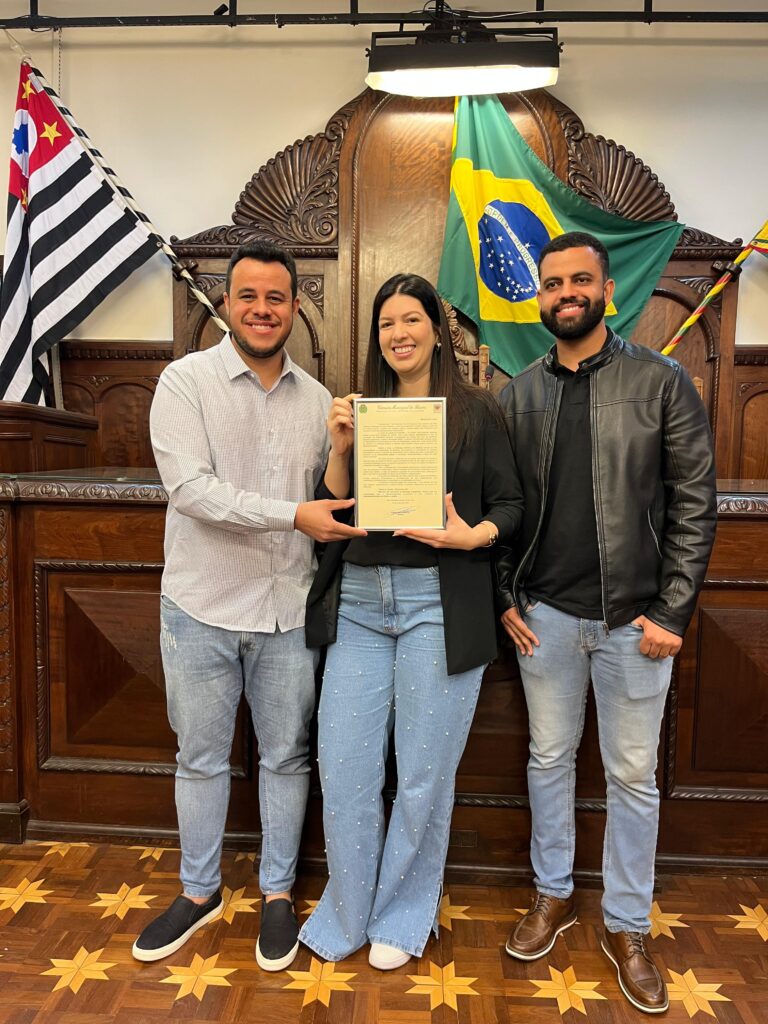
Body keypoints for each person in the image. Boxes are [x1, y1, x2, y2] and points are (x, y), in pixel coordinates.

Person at [496, 231, 716, 1014]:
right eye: (553, 283)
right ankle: (553, 895)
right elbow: (503, 509)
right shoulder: (518, 395)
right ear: (541, 296)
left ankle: (627, 926)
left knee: (631, 777)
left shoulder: (662, 382)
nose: (566, 293)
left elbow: (695, 504)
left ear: (607, 290)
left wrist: (672, 610)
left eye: (579, 281)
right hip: (546, 620)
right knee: (548, 759)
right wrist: (506, 596)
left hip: (636, 625)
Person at [134, 241, 365, 971]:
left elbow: (327, 496)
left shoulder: (318, 400)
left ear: (295, 307)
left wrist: (340, 454)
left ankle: (277, 893)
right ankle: (199, 891)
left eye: (275, 298)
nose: (262, 310)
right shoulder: (184, 383)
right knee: (200, 758)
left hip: (286, 612)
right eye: (248, 297)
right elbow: (191, 491)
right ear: (226, 303)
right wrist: (293, 515)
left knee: (286, 757)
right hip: (200, 606)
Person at [299, 273, 523, 969]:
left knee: (424, 773)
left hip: (439, 603)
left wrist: (471, 536)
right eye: (386, 323)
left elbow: (512, 507)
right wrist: (340, 450)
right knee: (344, 768)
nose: (398, 333)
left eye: (411, 320)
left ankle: (401, 915)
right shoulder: (360, 411)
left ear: (437, 330)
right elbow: (330, 513)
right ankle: (348, 911)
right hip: (360, 604)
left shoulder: (477, 411)